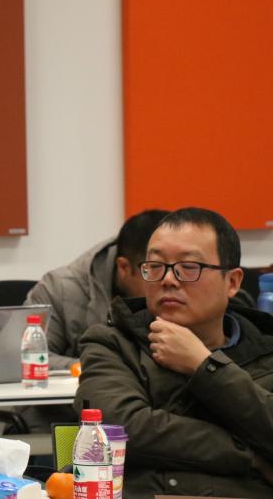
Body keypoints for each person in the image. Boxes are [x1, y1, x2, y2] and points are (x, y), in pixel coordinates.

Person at [76, 207, 273, 497]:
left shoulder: (265, 350)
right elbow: (119, 428)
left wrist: (204, 365)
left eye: (189, 267)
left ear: (232, 282)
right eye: (155, 266)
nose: (168, 279)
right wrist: (250, 455)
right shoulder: (113, 343)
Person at [24, 209, 169, 369]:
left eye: (185, 266)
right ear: (124, 267)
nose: (170, 280)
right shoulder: (57, 289)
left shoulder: (186, 289)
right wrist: (101, 368)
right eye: (156, 269)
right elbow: (27, 357)